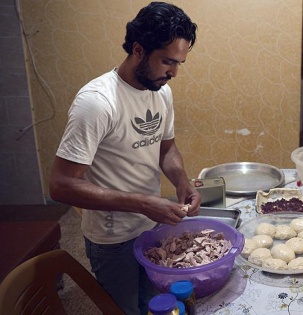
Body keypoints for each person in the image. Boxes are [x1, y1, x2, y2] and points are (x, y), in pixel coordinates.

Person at [48, 2, 201, 314]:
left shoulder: (161, 91)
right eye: (168, 62)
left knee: (153, 302)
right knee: (125, 309)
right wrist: (142, 203)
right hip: (112, 237)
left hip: (152, 226)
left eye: (180, 63)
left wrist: (182, 182)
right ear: (139, 49)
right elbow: (61, 185)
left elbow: (166, 148)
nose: (174, 72)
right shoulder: (97, 103)